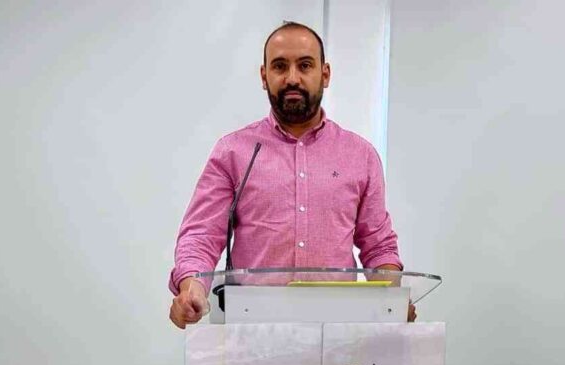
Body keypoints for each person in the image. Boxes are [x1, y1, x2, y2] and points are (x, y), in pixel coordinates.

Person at [169, 21, 413, 329]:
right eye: (280, 66)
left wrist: (393, 302)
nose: (293, 78)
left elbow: (378, 245)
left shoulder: (360, 155)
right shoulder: (233, 151)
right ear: (264, 76)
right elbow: (201, 236)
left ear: (325, 74)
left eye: (305, 65)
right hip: (252, 333)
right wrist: (191, 286)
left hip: (338, 334)